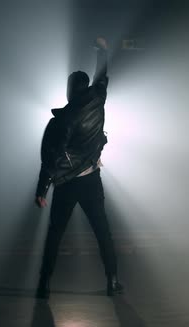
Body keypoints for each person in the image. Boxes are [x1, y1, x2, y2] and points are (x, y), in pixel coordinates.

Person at [34, 37, 123, 299]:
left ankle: (44, 285)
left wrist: (42, 188)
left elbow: (51, 157)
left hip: (66, 184)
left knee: (55, 234)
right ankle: (113, 281)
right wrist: (103, 52)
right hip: (90, 181)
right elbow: (103, 77)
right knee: (102, 231)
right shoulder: (98, 99)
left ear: (70, 90)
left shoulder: (61, 120)